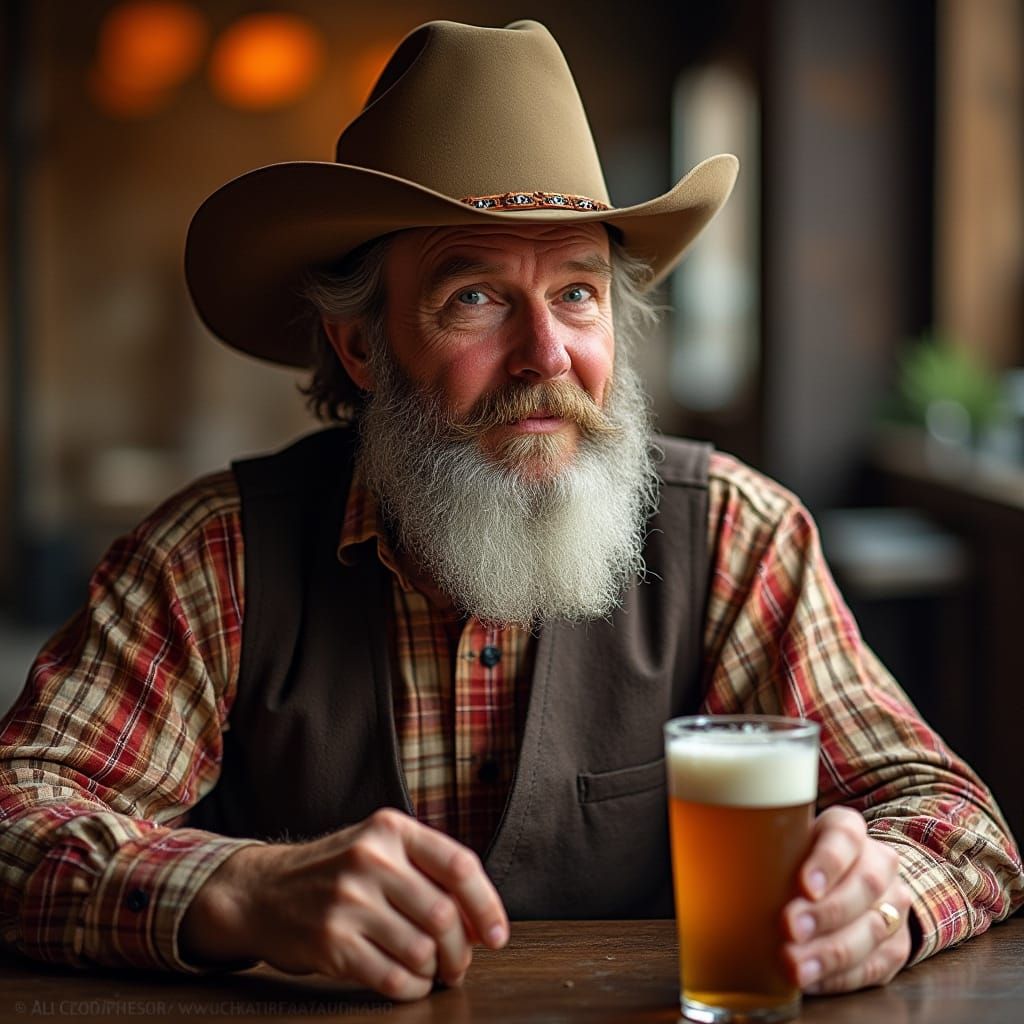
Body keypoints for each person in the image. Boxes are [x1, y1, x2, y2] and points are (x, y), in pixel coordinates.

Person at [0, 17, 1020, 1006]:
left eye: (577, 293)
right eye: (475, 297)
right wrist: (239, 890)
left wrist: (880, 896)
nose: (546, 355)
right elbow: (18, 818)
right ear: (361, 346)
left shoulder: (736, 537)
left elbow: (958, 826)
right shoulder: (209, 558)